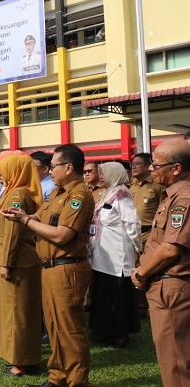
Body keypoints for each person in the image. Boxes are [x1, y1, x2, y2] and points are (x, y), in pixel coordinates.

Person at [1, 143, 95, 387]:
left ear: (69, 167)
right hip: (51, 268)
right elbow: (40, 217)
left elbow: (63, 235)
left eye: (53, 167)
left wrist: (25, 221)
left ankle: (77, 381)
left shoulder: (79, 195)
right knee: (53, 326)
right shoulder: (57, 192)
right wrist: (24, 216)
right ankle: (58, 377)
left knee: (70, 330)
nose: (49, 171)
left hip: (67, 267)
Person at [132, 139, 190, 387]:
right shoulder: (172, 194)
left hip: (171, 287)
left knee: (175, 361)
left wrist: (141, 273)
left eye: (156, 165)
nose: (152, 168)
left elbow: (170, 248)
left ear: (176, 168)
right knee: (172, 355)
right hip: (165, 285)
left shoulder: (184, 198)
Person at [0, 154, 43, 377]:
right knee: (14, 311)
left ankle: (25, 361)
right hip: (16, 259)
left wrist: (6, 263)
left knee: (18, 313)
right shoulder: (14, 190)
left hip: (18, 261)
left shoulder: (17, 194)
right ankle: (18, 357)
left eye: (2, 169)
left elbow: (12, 232)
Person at [88, 162, 141, 348]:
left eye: (104, 173)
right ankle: (104, 330)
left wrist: (137, 247)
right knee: (104, 294)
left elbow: (132, 222)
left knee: (117, 294)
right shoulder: (106, 194)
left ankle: (119, 333)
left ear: (114, 174)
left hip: (118, 255)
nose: (100, 177)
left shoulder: (121, 195)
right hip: (102, 256)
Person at [128, 152, 164, 318]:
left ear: (149, 165)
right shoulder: (132, 186)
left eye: (137, 163)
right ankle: (140, 308)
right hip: (133, 235)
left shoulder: (157, 185)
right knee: (135, 269)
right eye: (132, 164)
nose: (133, 166)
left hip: (150, 233)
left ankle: (153, 306)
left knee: (151, 269)